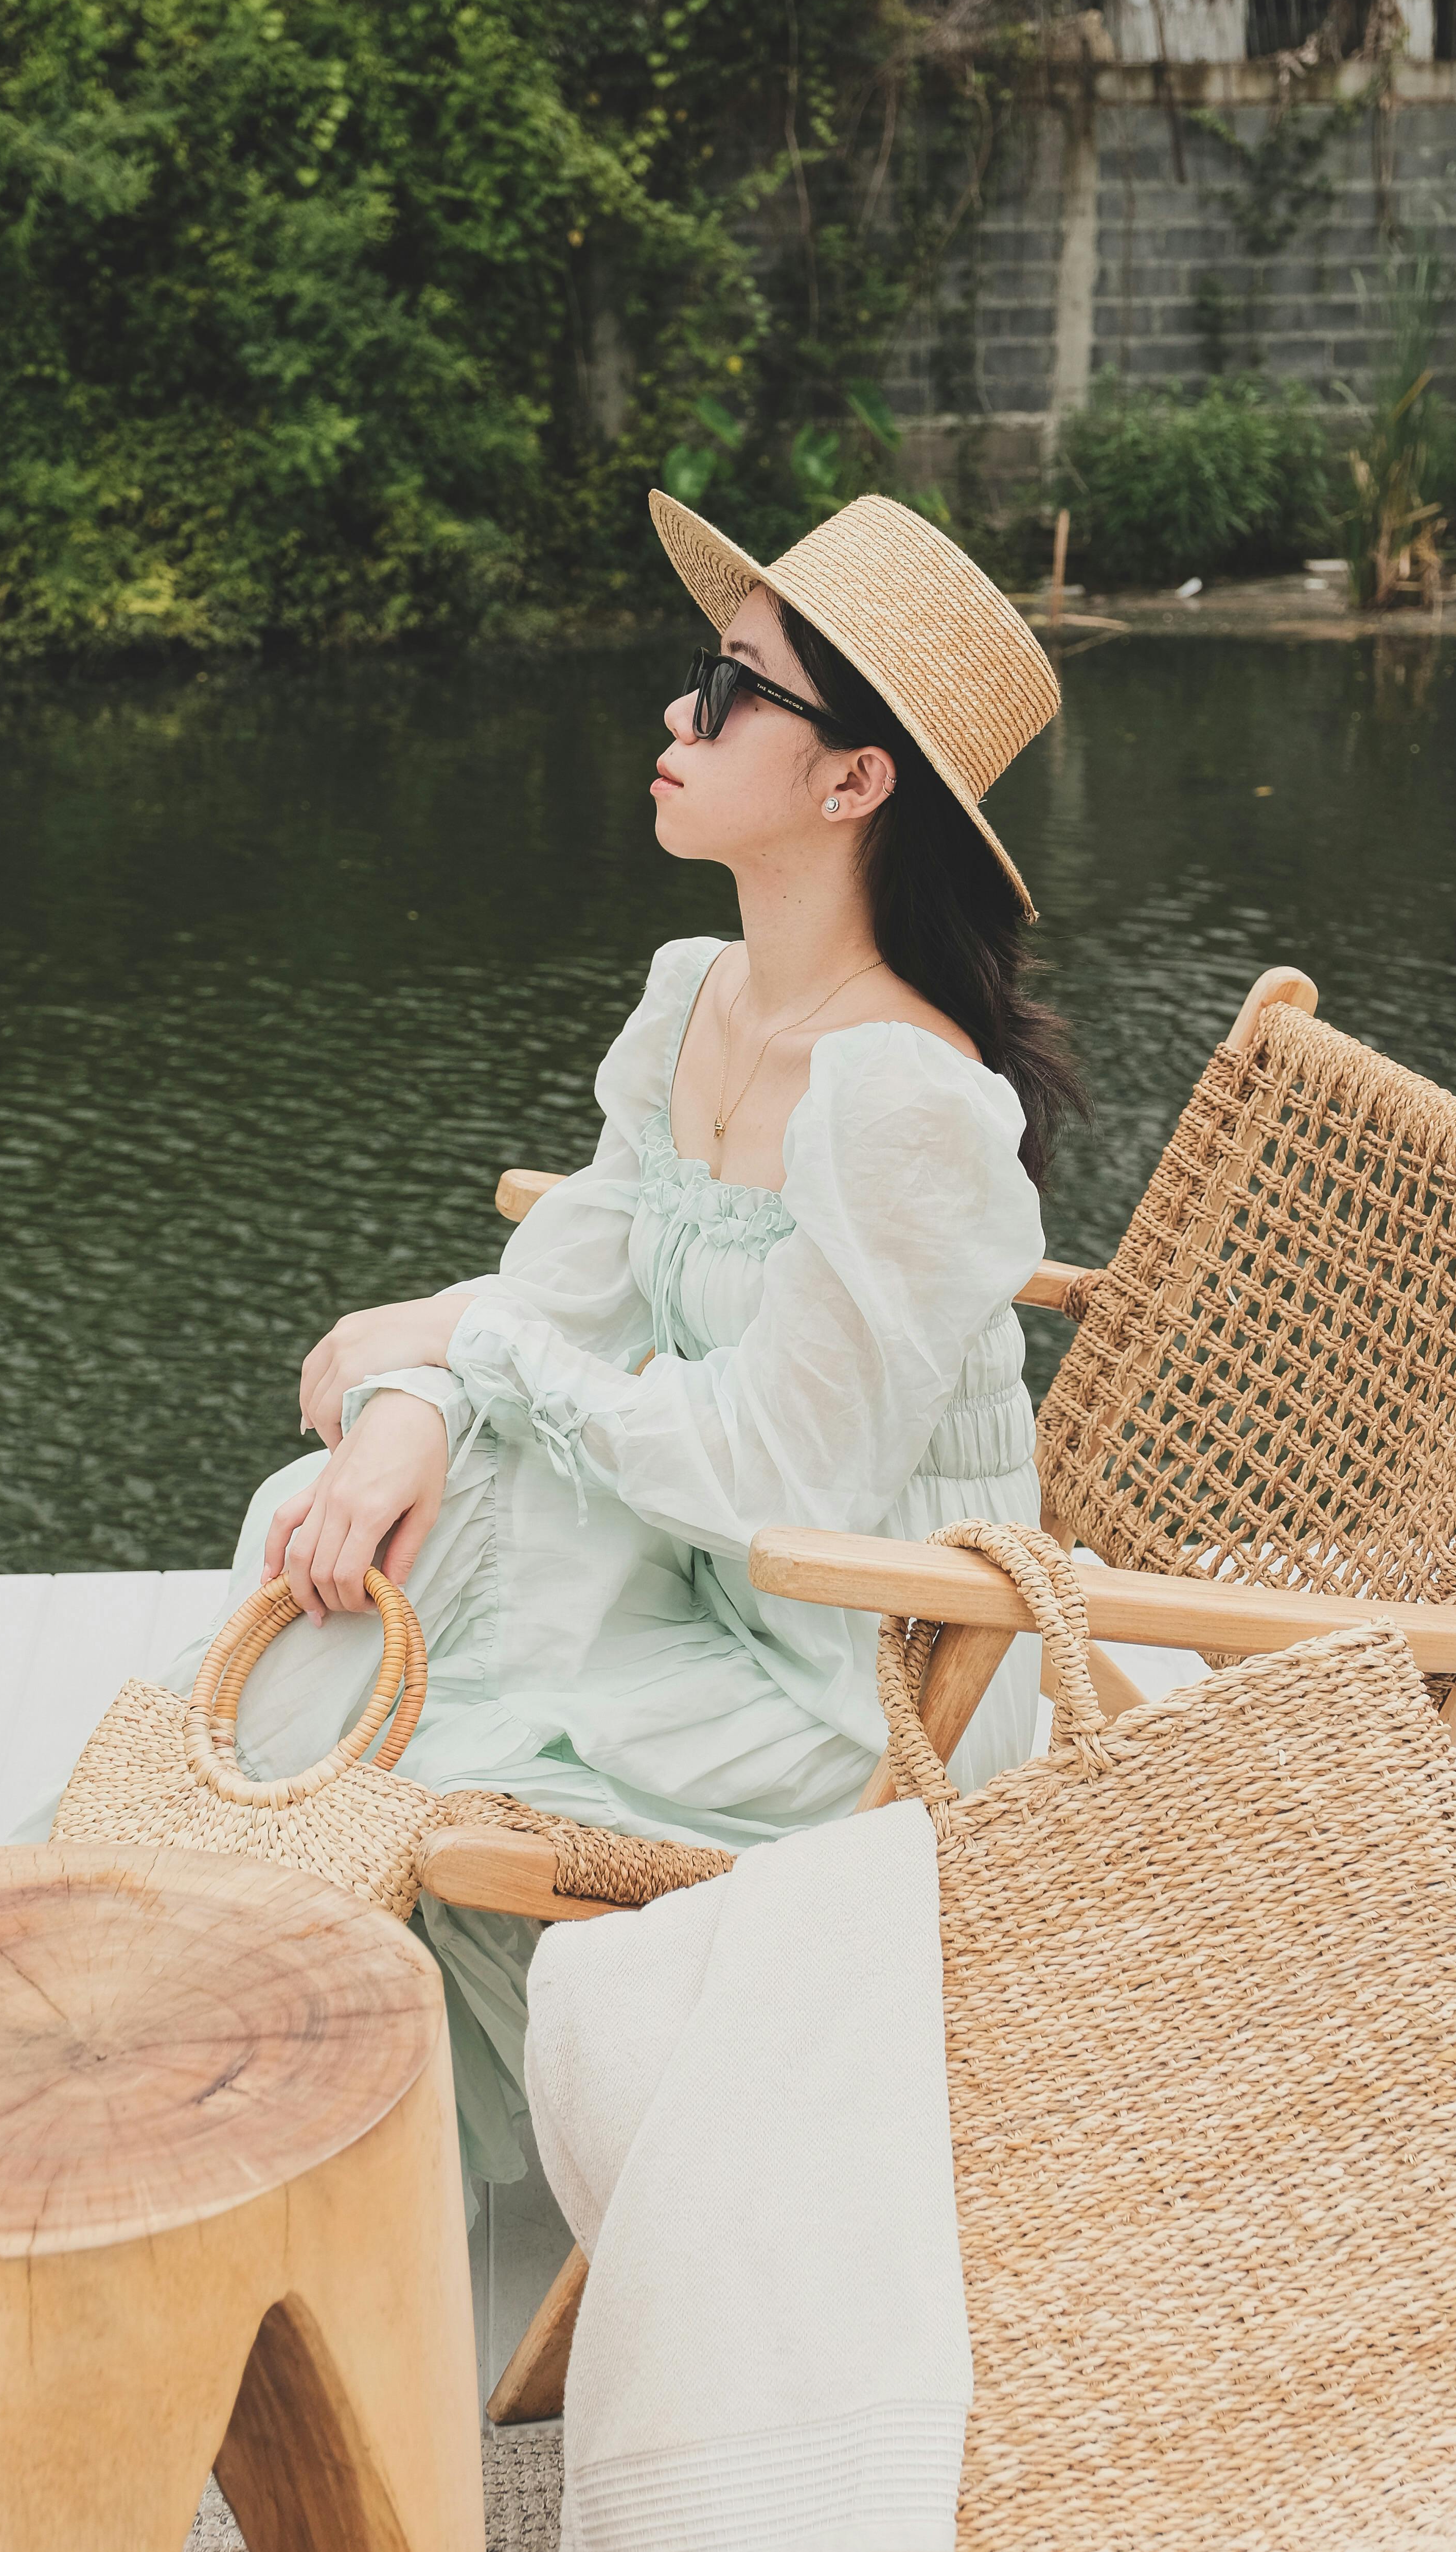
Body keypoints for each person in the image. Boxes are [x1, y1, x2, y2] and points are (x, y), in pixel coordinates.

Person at [174, 489, 1082, 2187]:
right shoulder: (701, 999)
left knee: (397, 1695)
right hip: (706, 1579)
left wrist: (471, 1365)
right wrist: (417, 1404)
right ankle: (221, 2041)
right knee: (343, 1538)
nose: (680, 714)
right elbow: (571, 1288)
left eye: (733, 686)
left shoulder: (905, 1106)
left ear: (852, 778)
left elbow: (777, 1480)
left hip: (866, 1673)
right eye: (700, 675)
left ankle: (238, 2073)